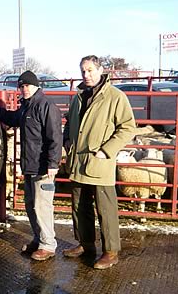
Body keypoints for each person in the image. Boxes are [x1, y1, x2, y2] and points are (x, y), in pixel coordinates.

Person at [62, 55, 136, 269]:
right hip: (78, 161)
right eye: (83, 71)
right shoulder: (78, 97)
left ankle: (111, 252)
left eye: (90, 70)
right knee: (79, 206)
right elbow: (69, 122)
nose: (86, 75)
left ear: (101, 70)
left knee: (106, 208)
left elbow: (127, 127)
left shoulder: (115, 96)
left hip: (99, 161)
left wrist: (107, 150)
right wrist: (68, 140)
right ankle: (85, 244)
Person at [0, 70, 63, 261]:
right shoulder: (26, 107)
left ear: (36, 85)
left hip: (43, 166)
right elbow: (14, 119)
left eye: (26, 85)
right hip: (30, 165)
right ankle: (39, 239)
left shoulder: (46, 106)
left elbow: (55, 137)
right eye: (21, 86)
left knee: (42, 205)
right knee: (30, 205)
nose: (23, 89)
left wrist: (53, 163)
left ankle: (48, 244)